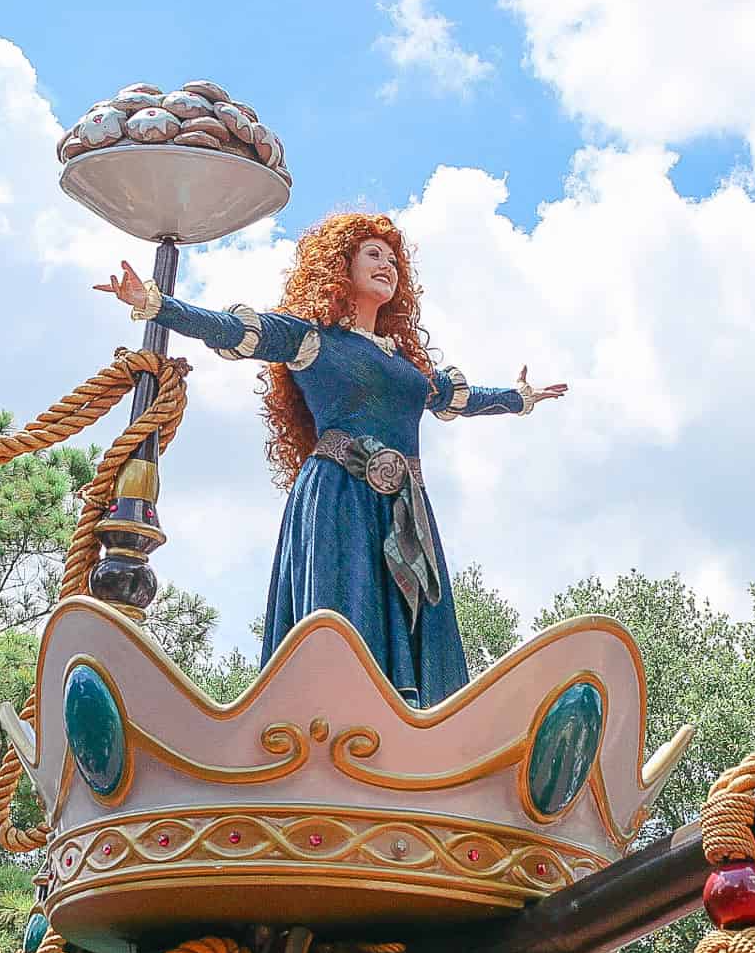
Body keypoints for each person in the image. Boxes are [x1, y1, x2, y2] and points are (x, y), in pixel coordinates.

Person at [96, 212, 564, 706]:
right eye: (373, 254)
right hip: (339, 500)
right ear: (342, 266)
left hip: (406, 512)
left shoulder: (407, 365)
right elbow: (232, 330)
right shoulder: (313, 340)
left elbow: (459, 398)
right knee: (342, 619)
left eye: (393, 259)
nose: (387, 265)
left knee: (412, 623)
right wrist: (155, 304)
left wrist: (520, 396)